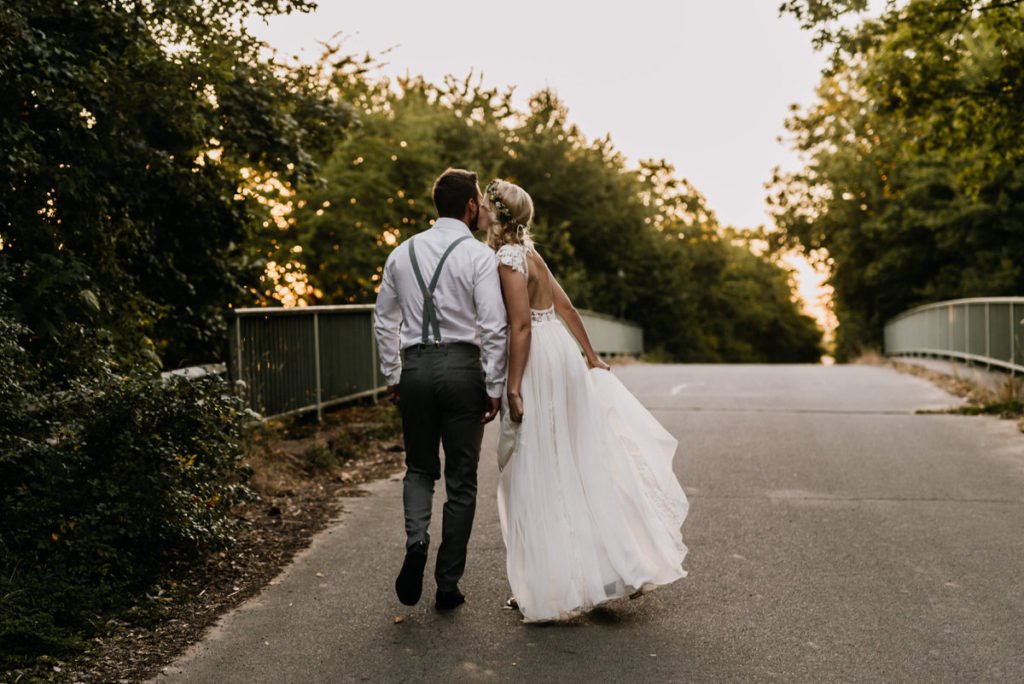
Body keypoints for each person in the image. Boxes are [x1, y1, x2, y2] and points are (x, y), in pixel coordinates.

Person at [484, 179, 689, 623]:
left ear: (496, 214)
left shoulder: (508, 258)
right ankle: (610, 568)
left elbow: (520, 326)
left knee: (537, 463)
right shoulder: (532, 254)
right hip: (563, 354)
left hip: (537, 359)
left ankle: (548, 584)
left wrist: (513, 386)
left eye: (485, 206)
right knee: (576, 457)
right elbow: (567, 309)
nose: (481, 212)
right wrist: (590, 356)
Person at [374, 168, 508, 611]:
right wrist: (494, 384)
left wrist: (393, 375)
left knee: (418, 468)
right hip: (463, 370)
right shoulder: (477, 256)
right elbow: (493, 325)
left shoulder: (401, 253)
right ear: (470, 206)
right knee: (461, 481)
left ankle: (417, 541)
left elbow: (384, 321)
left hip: (415, 368)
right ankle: (447, 584)